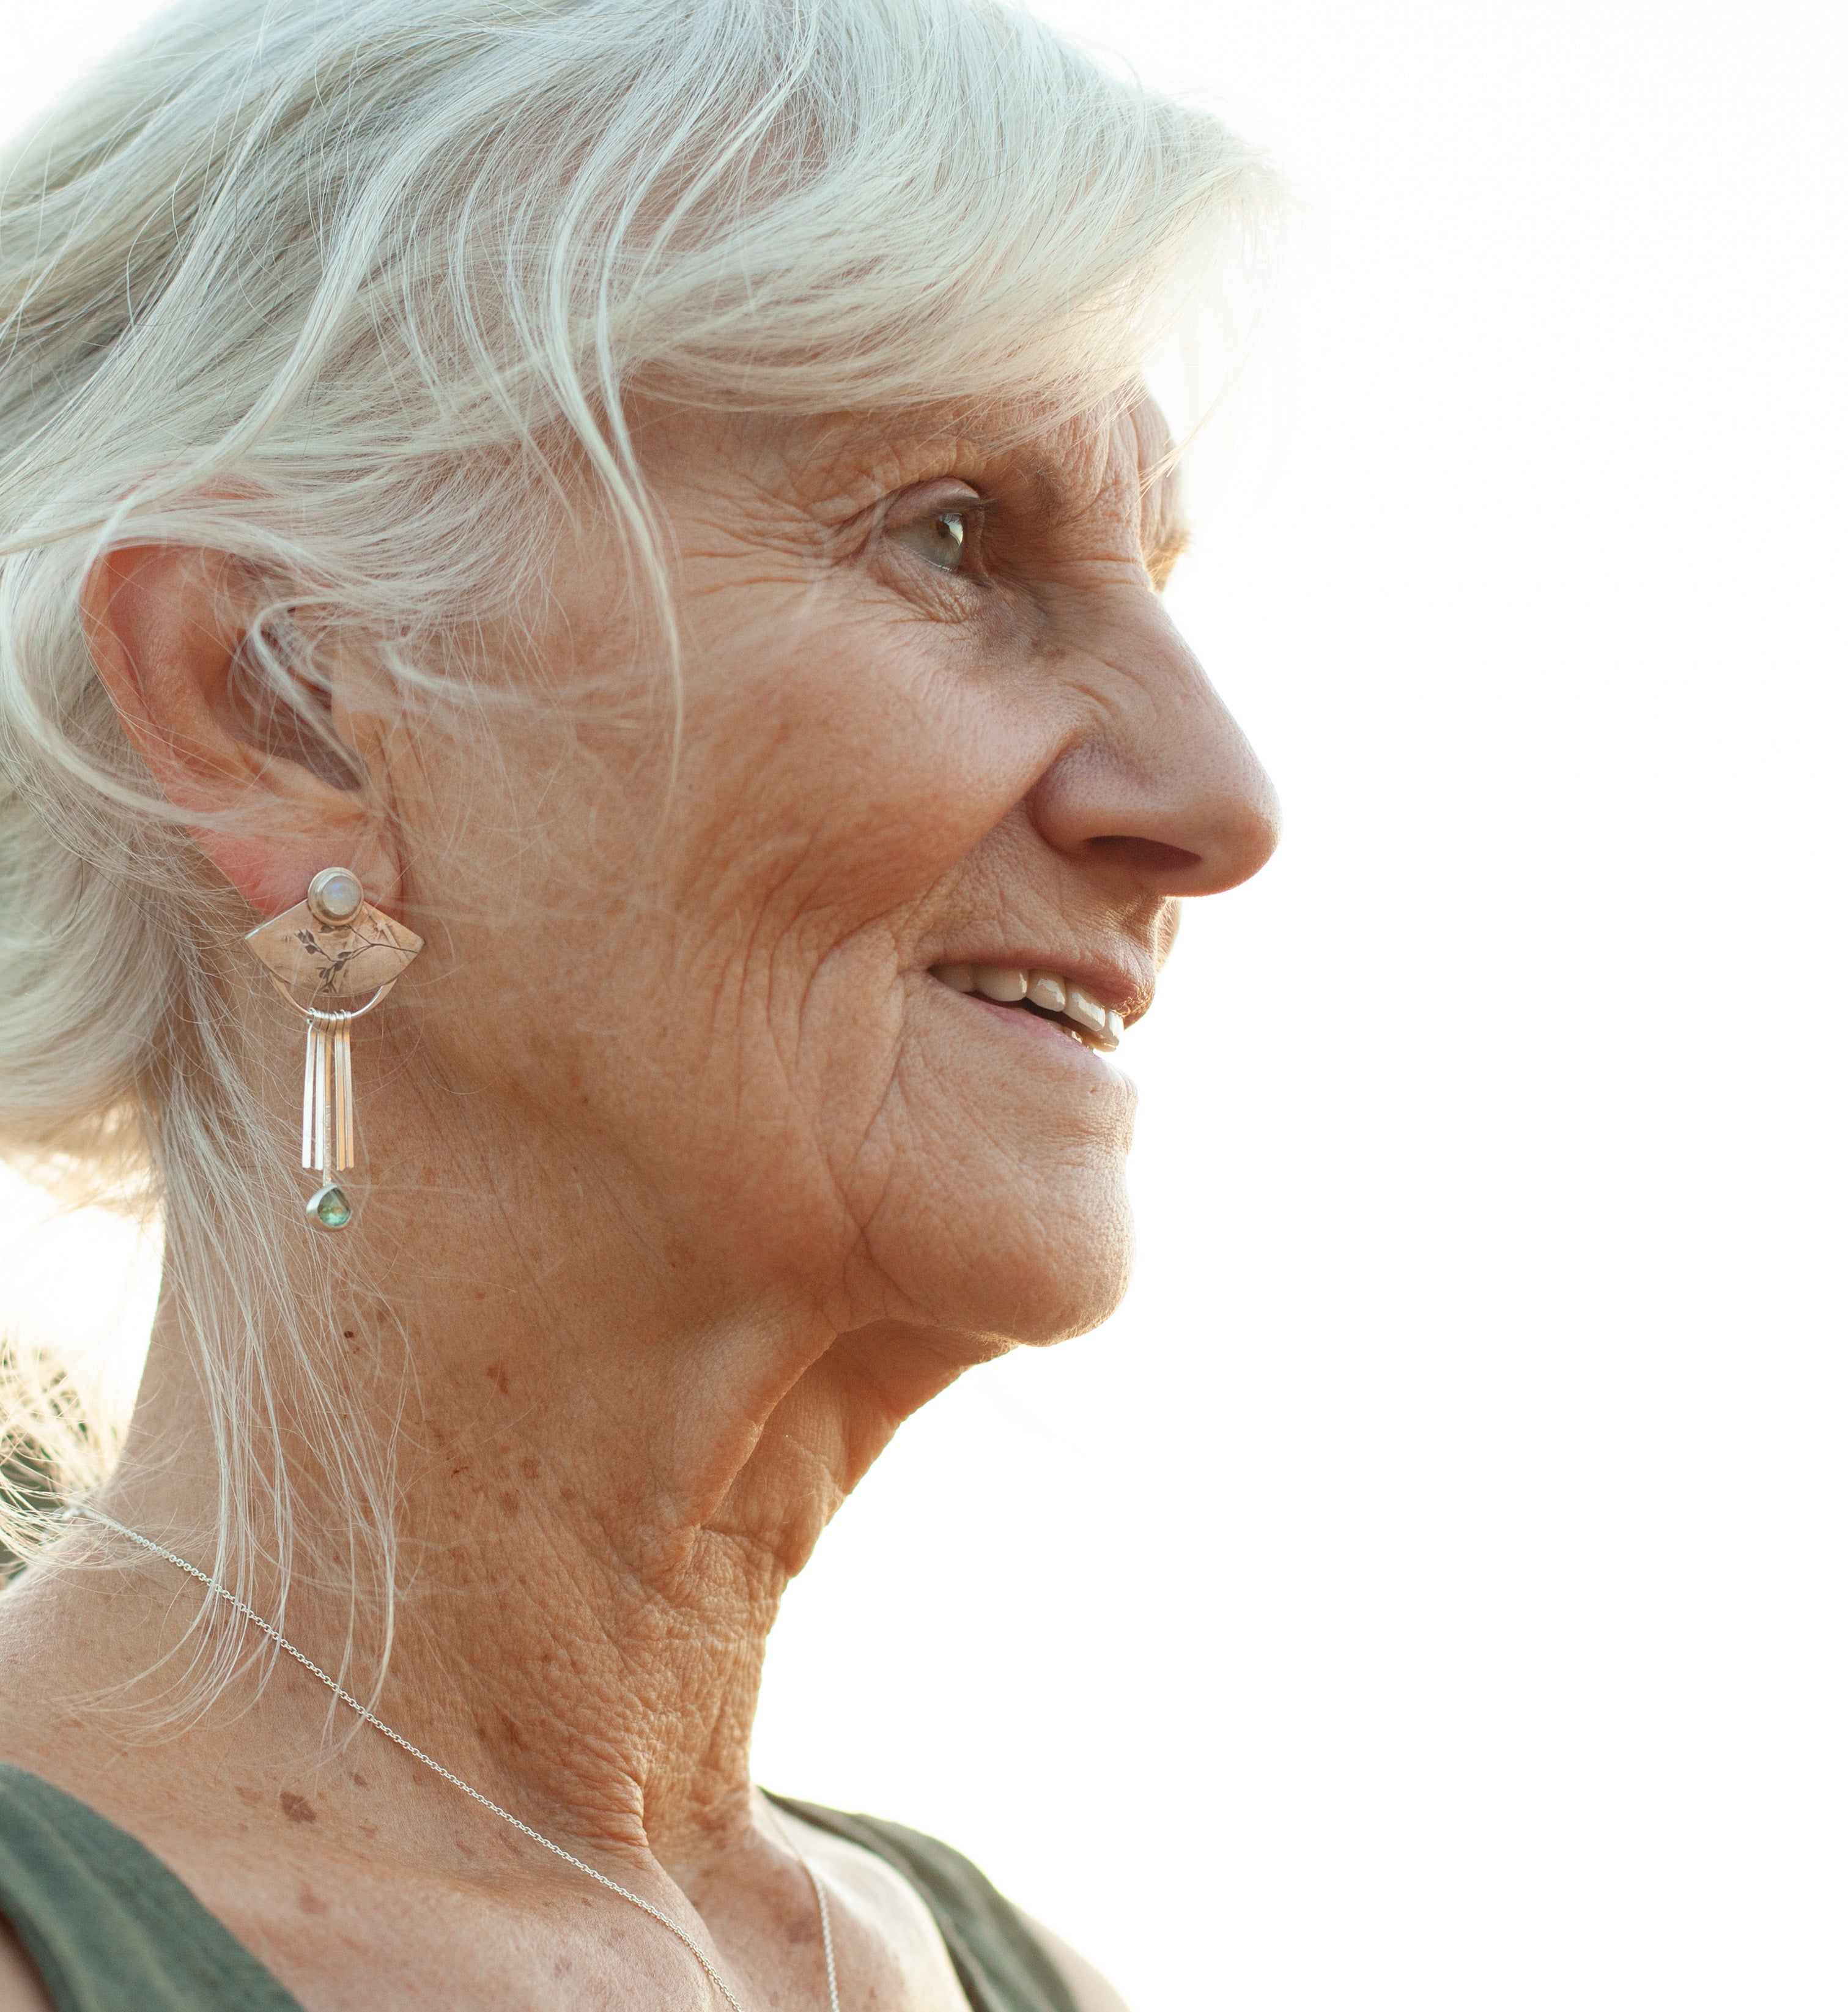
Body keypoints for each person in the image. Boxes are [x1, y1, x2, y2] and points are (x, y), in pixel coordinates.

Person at [0, 0, 1281, 2005]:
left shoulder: (1021, 1973)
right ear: (283, 707)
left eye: (1157, 571)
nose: (1217, 804)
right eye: (951, 534)